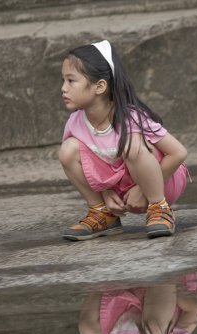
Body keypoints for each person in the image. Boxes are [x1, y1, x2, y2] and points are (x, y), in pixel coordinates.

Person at [59, 39, 188, 240]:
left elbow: (178, 153)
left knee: (131, 144)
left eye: (71, 80)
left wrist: (143, 190)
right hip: (120, 191)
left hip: (161, 182)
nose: (63, 88)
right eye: (63, 81)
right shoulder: (75, 123)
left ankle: (160, 209)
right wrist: (105, 194)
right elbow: (85, 164)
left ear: (99, 86)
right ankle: (103, 214)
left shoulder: (132, 117)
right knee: (68, 150)